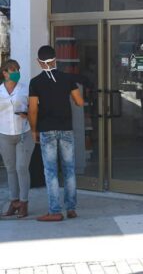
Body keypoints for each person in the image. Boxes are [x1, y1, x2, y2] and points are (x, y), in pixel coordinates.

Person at [28, 45, 84, 222]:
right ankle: (71, 208)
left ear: (39, 62)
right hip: (66, 128)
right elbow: (79, 102)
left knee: (50, 171)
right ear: (55, 59)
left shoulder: (35, 82)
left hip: (46, 129)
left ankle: (55, 211)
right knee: (69, 169)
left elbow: (32, 110)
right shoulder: (67, 78)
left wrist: (33, 130)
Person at [0, 60, 35, 218]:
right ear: (5, 73)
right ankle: (13, 202)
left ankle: (24, 203)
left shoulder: (25, 89)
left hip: (24, 133)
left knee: (22, 168)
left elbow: (35, 109)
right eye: (12, 69)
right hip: (4, 135)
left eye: (18, 69)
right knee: (10, 169)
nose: (16, 72)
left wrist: (26, 114)